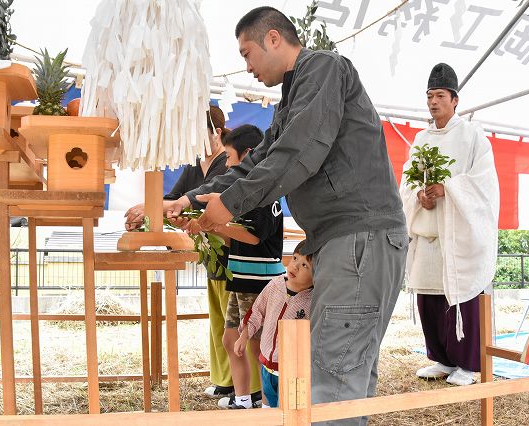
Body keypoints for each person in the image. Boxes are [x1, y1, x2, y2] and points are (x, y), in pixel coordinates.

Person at [166, 7, 408, 425]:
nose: (246, 66)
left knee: (335, 375)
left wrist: (231, 203)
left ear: (273, 38)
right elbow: (258, 159)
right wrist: (189, 200)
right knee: (343, 370)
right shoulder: (292, 96)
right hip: (343, 241)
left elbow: (299, 149)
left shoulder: (325, 69)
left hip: (358, 237)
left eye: (247, 53)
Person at [123, 105, 244, 399]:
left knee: (233, 321)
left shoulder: (226, 166)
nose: (195, 144)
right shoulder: (193, 166)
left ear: (216, 133)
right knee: (217, 318)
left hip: (230, 249)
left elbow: (200, 201)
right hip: (209, 253)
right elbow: (172, 199)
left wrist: (168, 207)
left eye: (199, 135)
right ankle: (222, 378)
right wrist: (148, 211)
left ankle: (238, 383)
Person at [400, 63, 500, 386]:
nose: (432, 102)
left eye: (439, 95)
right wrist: (419, 195)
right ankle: (441, 358)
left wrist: (448, 189)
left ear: (455, 99)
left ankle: (469, 365)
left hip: (458, 235)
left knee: (460, 298)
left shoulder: (473, 136)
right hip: (429, 231)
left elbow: (484, 182)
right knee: (430, 300)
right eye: (429, 96)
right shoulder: (420, 139)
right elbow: (406, 179)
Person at [185, 124, 285, 409]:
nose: (227, 165)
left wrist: (216, 223)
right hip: (239, 279)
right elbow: (234, 241)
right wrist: (206, 228)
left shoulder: (266, 193)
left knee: (255, 345)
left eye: (229, 158)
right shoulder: (238, 196)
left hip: (259, 283)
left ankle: (267, 403)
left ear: (250, 155)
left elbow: (254, 236)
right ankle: (242, 399)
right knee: (232, 340)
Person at [234, 239, 313, 408]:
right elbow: (256, 312)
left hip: (292, 371)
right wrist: (244, 336)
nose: (296, 266)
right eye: (295, 258)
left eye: (305, 265)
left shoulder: (313, 300)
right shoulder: (275, 285)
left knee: (288, 413)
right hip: (267, 367)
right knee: (267, 408)